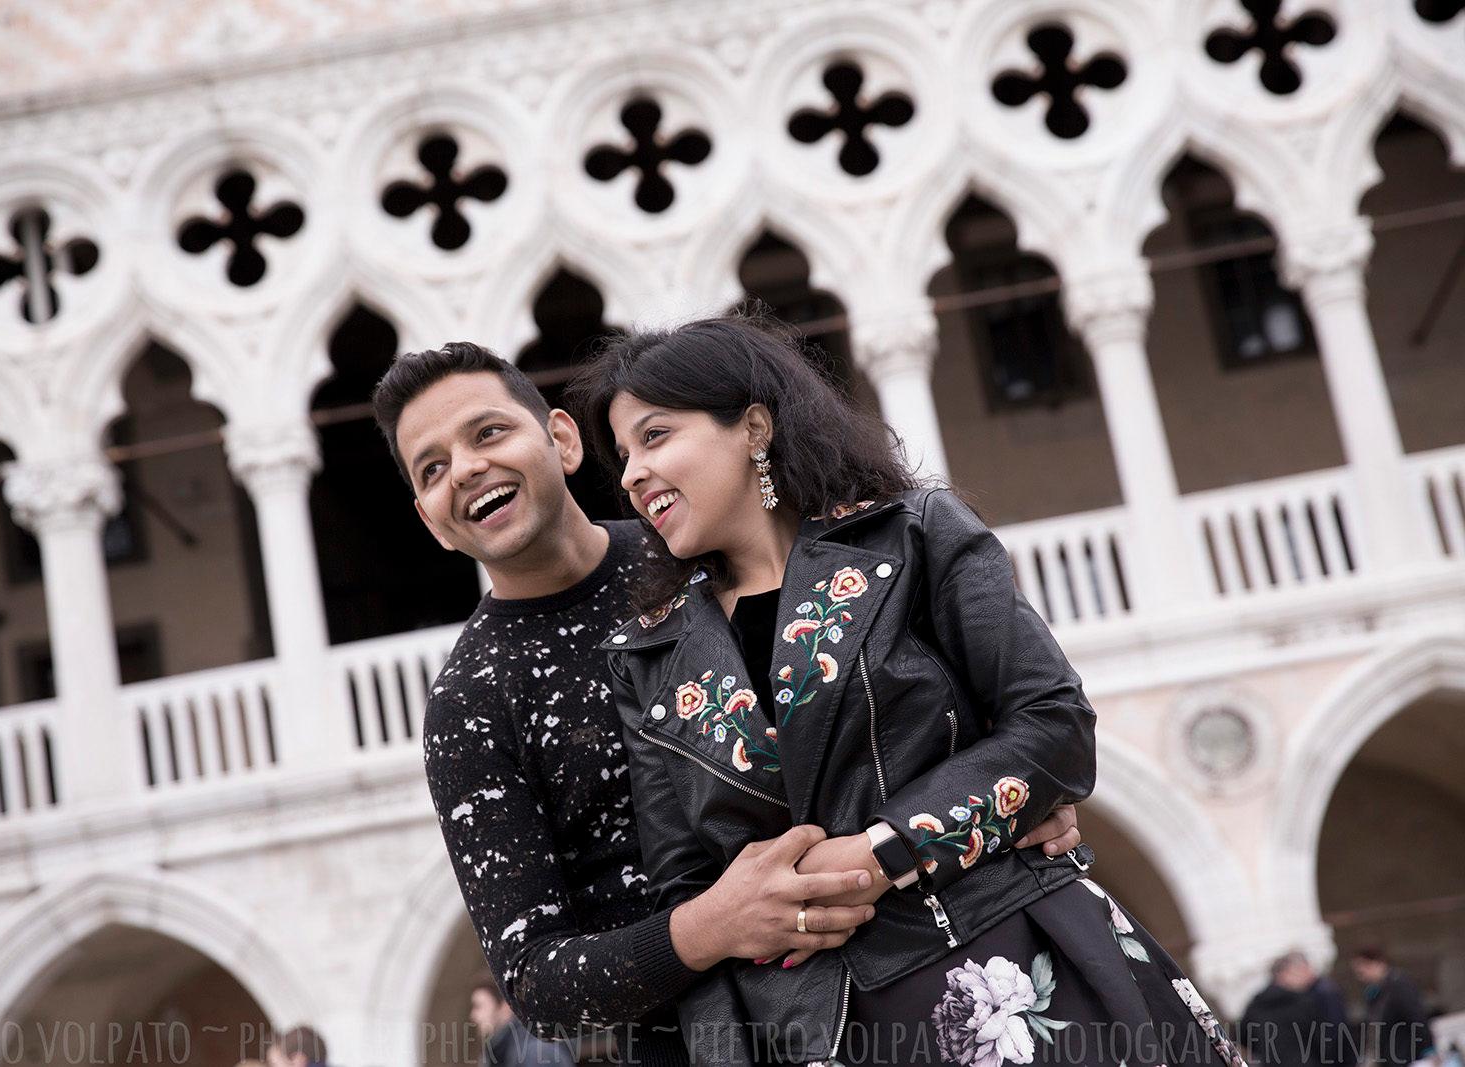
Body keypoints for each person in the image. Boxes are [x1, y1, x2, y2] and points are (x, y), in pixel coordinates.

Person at [569, 314, 1255, 1067]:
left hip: (1017, 971)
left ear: (754, 427)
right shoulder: (648, 658)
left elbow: (1052, 723)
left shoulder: (916, 535)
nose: (631, 473)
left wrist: (886, 849)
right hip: (823, 1034)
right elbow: (685, 890)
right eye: (624, 454)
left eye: (656, 436)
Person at [372, 342, 1084, 1066]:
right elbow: (537, 984)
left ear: (560, 438)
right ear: (428, 518)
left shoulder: (701, 542)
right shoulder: (470, 705)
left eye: (487, 432)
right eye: (432, 468)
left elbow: (997, 717)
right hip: (721, 1041)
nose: (464, 467)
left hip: (948, 960)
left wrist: (992, 803)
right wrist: (711, 924)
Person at [1241, 951, 1350, 1066]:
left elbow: (1244, 1038)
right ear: (1283, 974)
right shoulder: (1304, 1002)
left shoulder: (1256, 1004)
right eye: (1299, 971)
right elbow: (1324, 1041)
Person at [1352, 946, 1437, 1066]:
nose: (1361, 977)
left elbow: (1416, 1017)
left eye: (1363, 971)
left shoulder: (1398, 986)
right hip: (1389, 1058)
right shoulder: (1375, 993)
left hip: (1404, 1057)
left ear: (1377, 964)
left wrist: (1428, 1048)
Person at [470, 978, 578, 1066]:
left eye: (478, 1006)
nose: (472, 1016)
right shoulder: (498, 1053)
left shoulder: (537, 1053)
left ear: (504, 1007)